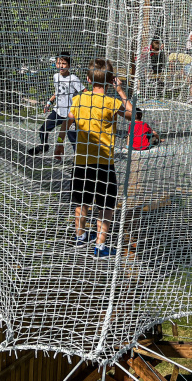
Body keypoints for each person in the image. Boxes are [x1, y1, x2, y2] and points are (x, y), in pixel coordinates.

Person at [54, 59, 133, 258]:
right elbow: (133, 114)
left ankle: (80, 236)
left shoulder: (79, 99)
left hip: (81, 162)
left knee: (81, 202)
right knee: (105, 205)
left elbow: (67, 122)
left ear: (88, 80)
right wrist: (121, 91)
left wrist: (59, 143)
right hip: (104, 163)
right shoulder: (112, 102)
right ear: (111, 80)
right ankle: (100, 246)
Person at [27, 52, 83, 156]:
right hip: (58, 111)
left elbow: (84, 92)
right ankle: (43, 147)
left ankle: (78, 160)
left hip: (70, 114)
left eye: (64, 63)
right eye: (58, 63)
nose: (61, 66)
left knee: (73, 139)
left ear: (69, 65)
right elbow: (57, 92)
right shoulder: (56, 76)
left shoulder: (73, 79)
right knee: (43, 129)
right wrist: (49, 102)